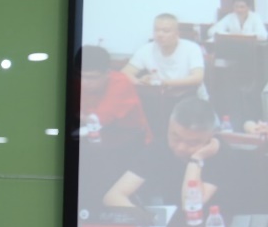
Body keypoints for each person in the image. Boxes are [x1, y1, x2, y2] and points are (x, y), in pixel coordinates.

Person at [103, 97, 235, 211]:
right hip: (169, 224)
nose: (181, 147)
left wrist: (196, 160)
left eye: (192, 143)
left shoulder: (220, 153)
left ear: (210, 136)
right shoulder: (159, 148)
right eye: (175, 138)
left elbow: (191, 206)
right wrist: (143, 218)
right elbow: (112, 196)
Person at [78, 44, 152, 149]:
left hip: (132, 140)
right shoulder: (80, 81)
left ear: (107, 73)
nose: (84, 82)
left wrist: (82, 117)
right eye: (81, 76)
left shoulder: (121, 82)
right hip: (95, 136)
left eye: (92, 78)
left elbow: (101, 120)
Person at [121, 13, 208, 100]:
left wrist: (163, 83)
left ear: (177, 33)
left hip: (191, 99)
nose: (160, 35)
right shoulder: (146, 49)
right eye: (156, 30)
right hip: (161, 99)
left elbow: (198, 78)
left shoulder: (192, 48)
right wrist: (140, 82)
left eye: (166, 31)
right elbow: (125, 73)